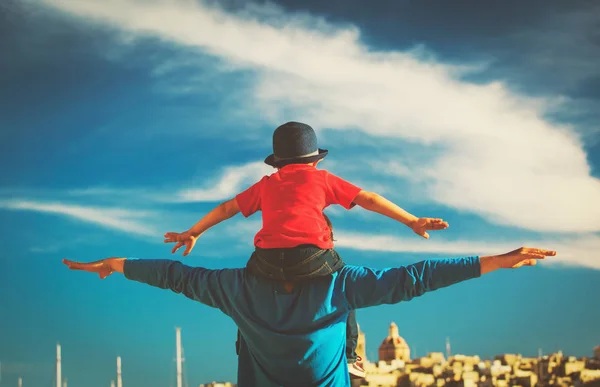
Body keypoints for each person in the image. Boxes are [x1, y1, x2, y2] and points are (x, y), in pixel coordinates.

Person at [161, 122, 450, 377]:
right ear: (314, 161)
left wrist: (193, 232)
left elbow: (227, 208)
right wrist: (412, 220)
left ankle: (245, 346)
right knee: (343, 285)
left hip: (266, 261)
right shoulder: (322, 179)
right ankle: (350, 355)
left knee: (247, 294)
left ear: (277, 164)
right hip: (312, 258)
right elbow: (369, 199)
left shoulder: (266, 184)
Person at [63, 246, 555, 387]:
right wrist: (495, 261)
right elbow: (415, 277)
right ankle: (354, 357)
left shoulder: (233, 286)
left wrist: (116, 264)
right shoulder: (340, 283)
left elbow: (174, 273)